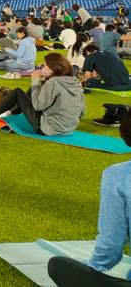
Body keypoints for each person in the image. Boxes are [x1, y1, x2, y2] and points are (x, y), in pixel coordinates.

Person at [47, 111, 131, 286]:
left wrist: (91, 267)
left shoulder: (118, 175)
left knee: (57, 266)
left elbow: (110, 248)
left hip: (54, 126)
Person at [0, 53, 84, 134]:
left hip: (49, 129)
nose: (41, 67)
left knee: (18, 92)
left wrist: (35, 82)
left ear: (52, 69)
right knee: (31, 90)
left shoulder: (54, 82)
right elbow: (82, 112)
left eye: (44, 65)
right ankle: (7, 113)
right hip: (69, 129)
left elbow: (38, 106)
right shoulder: (75, 82)